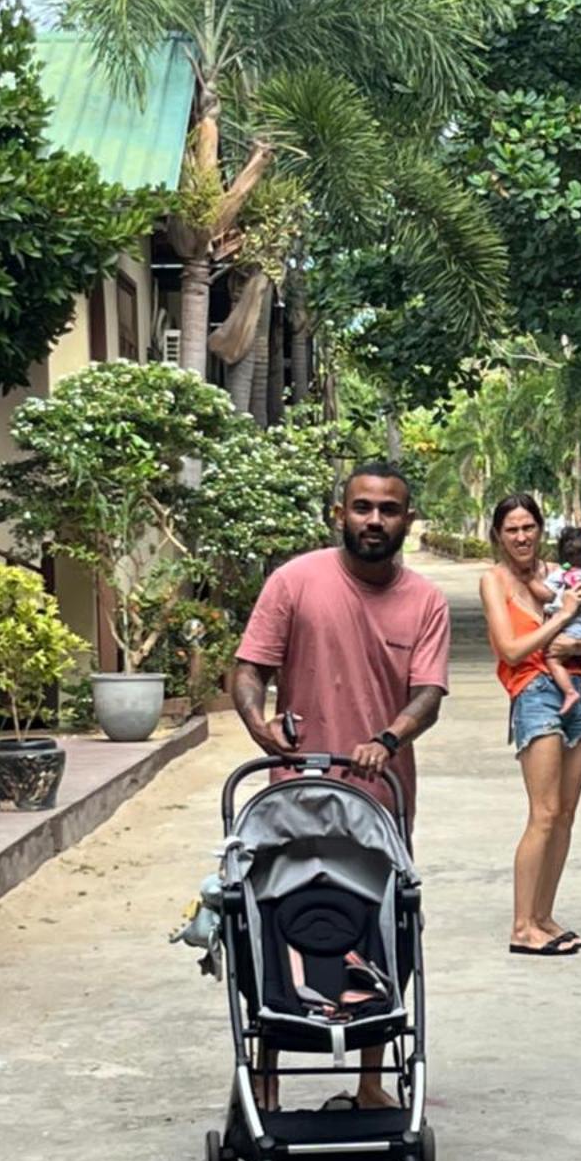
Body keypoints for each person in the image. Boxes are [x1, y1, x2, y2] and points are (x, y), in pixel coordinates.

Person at [232, 460, 450, 1107]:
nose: (374, 520)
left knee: (382, 928)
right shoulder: (294, 582)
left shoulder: (426, 602)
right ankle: (267, 1082)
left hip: (380, 802)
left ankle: (372, 1082)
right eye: (362, 507)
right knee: (277, 925)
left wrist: (387, 740)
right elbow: (249, 669)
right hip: (293, 798)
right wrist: (256, 722)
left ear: (407, 520)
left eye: (388, 509)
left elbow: (429, 694)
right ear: (339, 514)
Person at [479, 493, 581, 956]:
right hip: (533, 693)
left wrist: (578, 641)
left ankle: (543, 915)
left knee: (567, 814)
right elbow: (512, 651)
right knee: (545, 812)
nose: (521, 537)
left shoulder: (561, 575)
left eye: (528, 527)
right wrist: (565, 621)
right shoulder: (494, 581)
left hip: (580, 693)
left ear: (540, 529)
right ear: (498, 535)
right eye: (511, 529)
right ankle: (521, 926)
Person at [541, 525, 581, 716]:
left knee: (553, 658)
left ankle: (569, 692)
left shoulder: (561, 574)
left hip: (569, 625)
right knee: (578, 647)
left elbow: (548, 593)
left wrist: (551, 608)